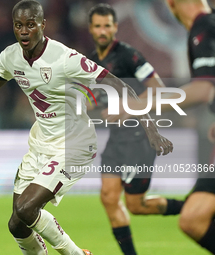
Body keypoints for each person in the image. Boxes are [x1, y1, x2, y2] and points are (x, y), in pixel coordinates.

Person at [0, 1, 173, 254]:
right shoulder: (10, 57)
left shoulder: (66, 58)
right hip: (41, 143)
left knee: (26, 210)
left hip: (73, 145)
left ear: (42, 25)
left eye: (30, 24)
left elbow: (120, 85)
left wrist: (151, 129)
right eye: (18, 25)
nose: (24, 31)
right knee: (17, 223)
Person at [115, 0, 215, 253]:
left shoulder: (205, 27)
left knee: (194, 218)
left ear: (172, 4)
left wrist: (142, 105)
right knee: (196, 216)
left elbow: (203, 90)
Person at [86, 4, 185, 255]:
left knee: (136, 206)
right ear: (91, 29)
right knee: (108, 197)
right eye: (97, 25)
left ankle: (193, 207)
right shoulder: (90, 62)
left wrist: (129, 108)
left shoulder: (129, 56)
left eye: (107, 25)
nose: (102, 30)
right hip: (117, 138)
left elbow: (159, 89)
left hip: (140, 137)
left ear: (115, 27)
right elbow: (93, 99)